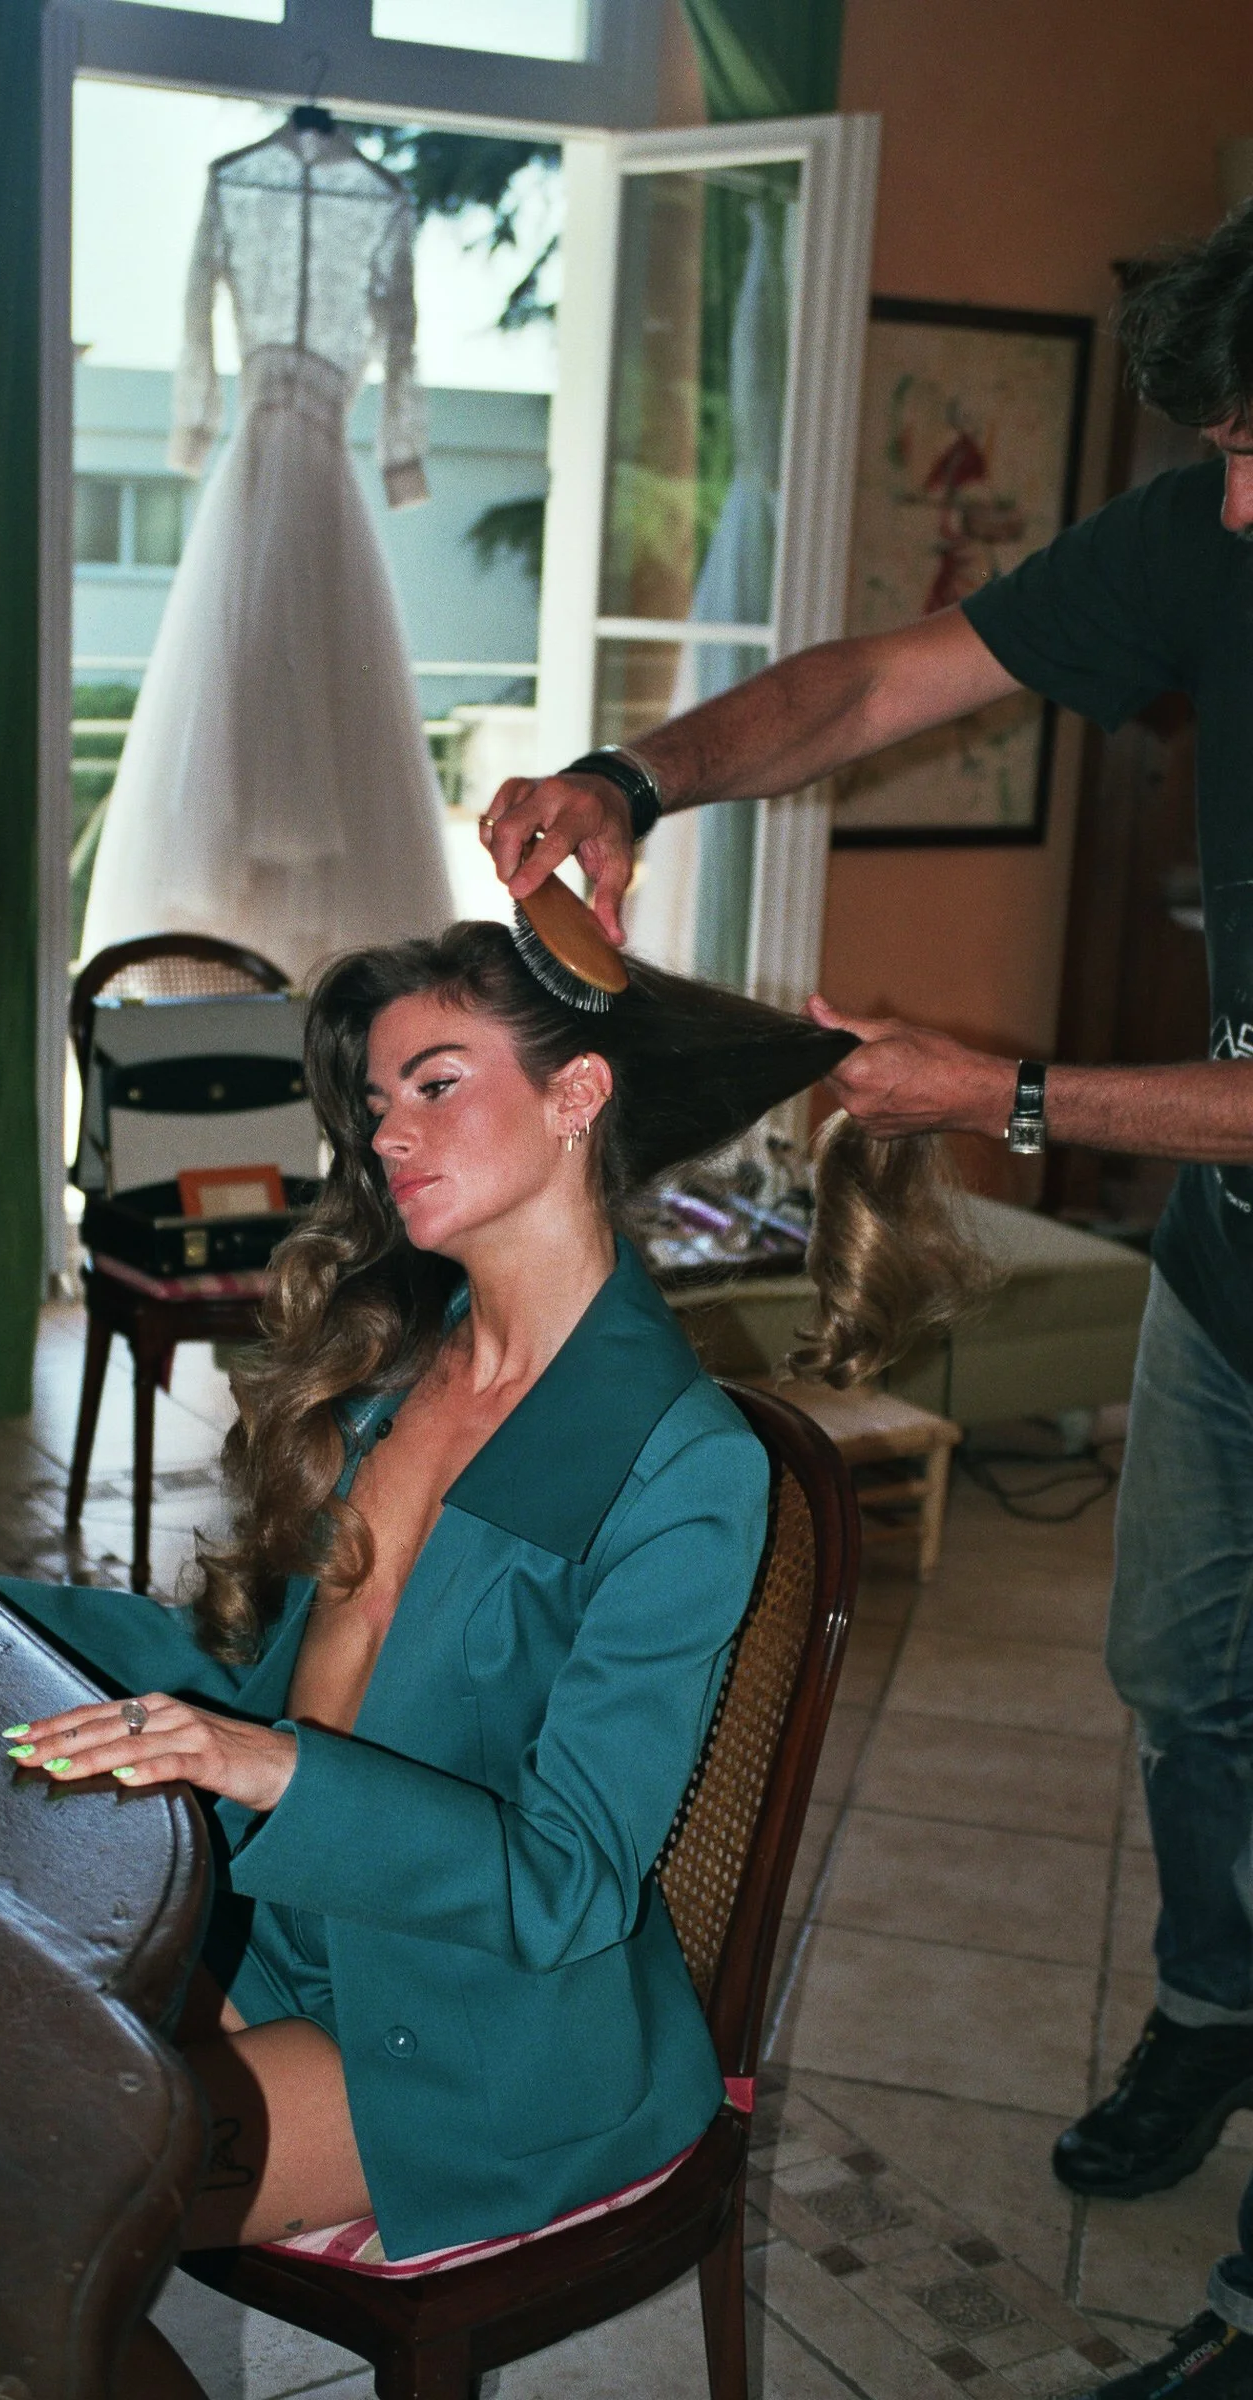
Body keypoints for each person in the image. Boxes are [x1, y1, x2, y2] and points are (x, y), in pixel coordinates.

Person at [480, 201, 1253, 2397]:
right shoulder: (1213, 537)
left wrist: (1000, 1094)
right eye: (1218, 449)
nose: (1229, 503)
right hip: (1227, 1285)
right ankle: (1214, 2007)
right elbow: (884, 681)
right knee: (1182, 1681)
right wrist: (632, 777)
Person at [0, 922, 979, 2307]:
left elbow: (570, 1880)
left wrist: (269, 1765)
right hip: (284, 1927)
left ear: (578, 1094)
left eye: (437, 1084)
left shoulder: (683, 1465)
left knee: (14, 2202)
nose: (389, 1132)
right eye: (378, 1100)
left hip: (475, 2031)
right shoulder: (405, 1369)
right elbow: (243, 1685)